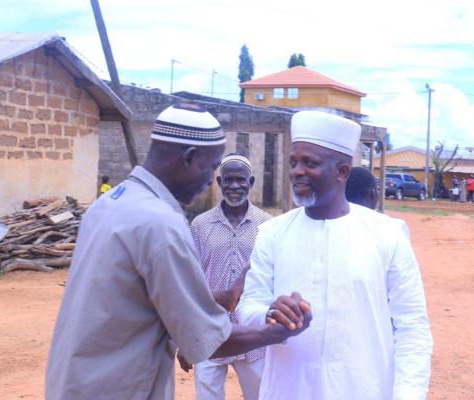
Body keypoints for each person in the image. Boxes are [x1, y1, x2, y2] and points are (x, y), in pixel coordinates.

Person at [45, 103, 312, 400]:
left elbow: (145, 299)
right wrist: (279, 332)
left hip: (75, 382)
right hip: (119, 387)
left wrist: (228, 296)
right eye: (212, 169)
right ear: (189, 158)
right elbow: (208, 339)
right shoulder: (162, 224)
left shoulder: (110, 203)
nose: (212, 182)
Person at [236, 110, 433, 400]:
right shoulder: (272, 233)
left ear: (342, 172)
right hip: (288, 389)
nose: (296, 171)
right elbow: (247, 307)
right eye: (293, 162)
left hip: (365, 389)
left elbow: (412, 327)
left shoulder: (388, 234)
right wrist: (269, 313)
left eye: (309, 163)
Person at [181, 153, 272, 400]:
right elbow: (190, 282)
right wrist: (186, 338)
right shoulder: (200, 225)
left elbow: (274, 280)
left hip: (251, 334)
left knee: (260, 396)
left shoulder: (268, 226)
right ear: (219, 182)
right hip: (209, 331)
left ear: (251, 182)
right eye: (228, 180)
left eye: (240, 180)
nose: (234, 186)